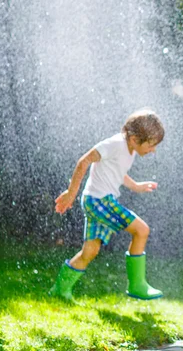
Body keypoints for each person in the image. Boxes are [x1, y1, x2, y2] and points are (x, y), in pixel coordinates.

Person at [50, 109, 165, 301]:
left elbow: (117, 171)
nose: (153, 150)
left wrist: (135, 185)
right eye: (151, 145)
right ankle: (137, 285)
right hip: (99, 201)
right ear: (135, 139)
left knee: (89, 252)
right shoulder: (116, 144)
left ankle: (60, 291)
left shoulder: (129, 149)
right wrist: (71, 192)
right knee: (141, 230)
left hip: (97, 200)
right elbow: (84, 160)